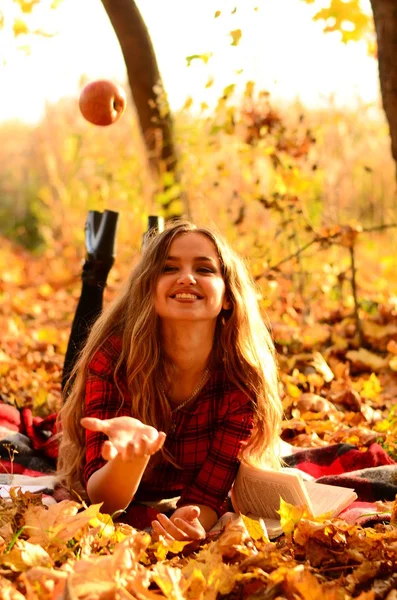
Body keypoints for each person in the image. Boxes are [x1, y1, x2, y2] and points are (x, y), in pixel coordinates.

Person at [57, 221, 282, 541]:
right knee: (67, 380)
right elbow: (103, 503)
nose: (187, 277)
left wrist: (191, 521)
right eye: (168, 267)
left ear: (228, 297)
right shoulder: (114, 357)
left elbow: (207, 496)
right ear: (149, 289)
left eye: (204, 269)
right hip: (95, 410)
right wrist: (128, 461)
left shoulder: (242, 380)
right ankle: (95, 271)